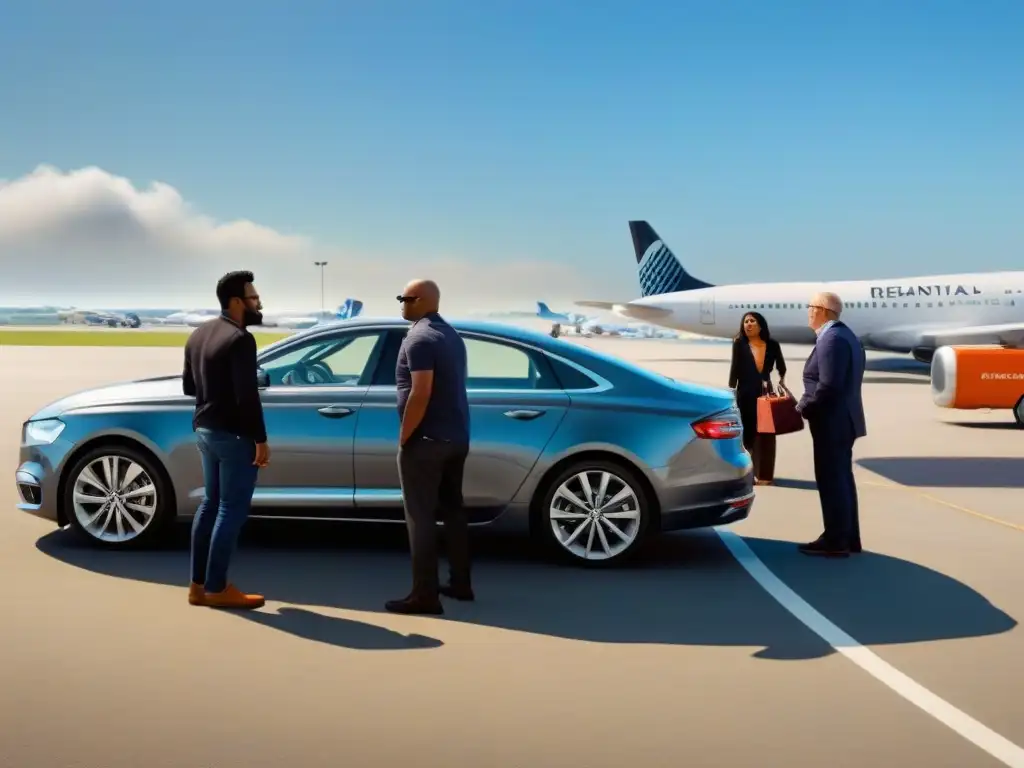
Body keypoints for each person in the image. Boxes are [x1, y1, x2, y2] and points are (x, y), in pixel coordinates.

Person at [182, 270, 270, 609]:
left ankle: (197, 586)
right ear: (236, 302)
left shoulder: (198, 335)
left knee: (210, 505)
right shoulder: (241, 339)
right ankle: (218, 588)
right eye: (253, 297)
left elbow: (190, 387)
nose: (258, 302)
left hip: (204, 430)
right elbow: (247, 396)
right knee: (231, 510)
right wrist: (260, 440)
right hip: (234, 435)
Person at [386, 278, 472, 615]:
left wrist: (405, 436)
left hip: (426, 440)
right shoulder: (451, 335)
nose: (402, 304)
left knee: (419, 517)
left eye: (405, 298)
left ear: (420, 301)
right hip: (457, 438)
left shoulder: (419, 338)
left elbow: (421, 391)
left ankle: (425, 595)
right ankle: (461, 584)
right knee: (453, 512)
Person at [795, 291, 867, 557]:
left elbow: (828, 386)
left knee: (832, 481)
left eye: (810, 307)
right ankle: (848, 538)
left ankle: (836, 540)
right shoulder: (847, 335)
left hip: (832, 421)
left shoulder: (832, 339)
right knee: (841, 480)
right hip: (842, 419)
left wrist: (804, 409)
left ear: (822, 310)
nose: (808, 312)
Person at [728, 311, 787, 485]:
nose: (748, 324)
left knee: (765, 436)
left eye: (752, 321)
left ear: (760, 325)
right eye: (746, 321)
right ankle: (745, 473)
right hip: (745, 393)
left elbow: (781, 367)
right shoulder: (739, 344)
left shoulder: (773, 345)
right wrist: (731, 390)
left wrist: (781, 381)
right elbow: (735, 368)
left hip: (765, 393)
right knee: (745, 435)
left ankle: (764, 476)